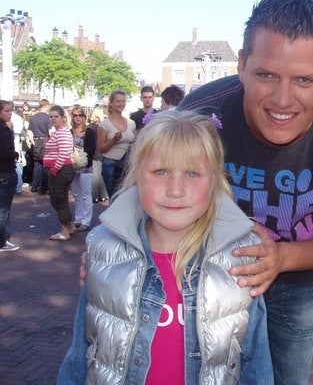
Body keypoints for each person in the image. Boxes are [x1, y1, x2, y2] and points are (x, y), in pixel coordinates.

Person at [177, 0, 313, 383]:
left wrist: (282, 258)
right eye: (266, 75)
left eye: (304, 79)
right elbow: (146, 195)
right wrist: (117, 250)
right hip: (206, 274)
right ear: (242, 65)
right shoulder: (199, 114)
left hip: (300, 279)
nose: (282, 99)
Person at [58, 111, 274, 384]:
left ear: (214, 182)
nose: (175, 190)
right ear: (138, 176)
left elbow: (256, 362)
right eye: (161, 171)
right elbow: (79, 356)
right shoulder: (103, 250)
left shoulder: (241, 260)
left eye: (192, 173)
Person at [43, 105, 76, 241]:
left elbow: (63, 153)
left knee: (58, 200)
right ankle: (70, 225)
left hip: (60, 171)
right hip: (60, 170)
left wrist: (54, 170)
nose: (53, 119)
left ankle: (64, 231)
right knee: (61, 199)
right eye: (51, 116)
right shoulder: (60, 132)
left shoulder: (62, 132)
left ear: (63, 118)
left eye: (56, 116)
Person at [97, 90, 136, 198]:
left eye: (123, 101)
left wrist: (133, 145)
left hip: (127, 164)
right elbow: (101, 149)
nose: (121, 104)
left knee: (127, 196)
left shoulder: (131, 123)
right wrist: (113, 140)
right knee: (114, 196)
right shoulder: (104, 124)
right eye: (118, 101)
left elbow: (134, 142)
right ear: (111, 104)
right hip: (110, 164)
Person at [69, 106, 96, 232]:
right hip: (73, 166)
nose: (77, 117)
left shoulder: (89, 131)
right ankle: (78, 218)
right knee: (76, 194)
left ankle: (86, 220)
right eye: (75, 115)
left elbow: (92, 149)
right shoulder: (70, 131)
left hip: (85, 166)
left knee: (86, 193)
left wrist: (79, 152)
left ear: (84, 117)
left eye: (80, 115)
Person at [0, 100, 20, 252]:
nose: (10, 113)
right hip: (6, 171)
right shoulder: (3, 130)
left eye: (11, 110)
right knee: (3, 209)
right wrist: (15, 154)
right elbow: (5, 153)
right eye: (7, 110)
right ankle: (2, 241)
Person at [27, 99, 51, 194]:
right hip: (46, 141)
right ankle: (44, 187)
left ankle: (34, 186)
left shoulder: (33, 118)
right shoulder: (48, 118)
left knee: (37, 164)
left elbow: (29, 131)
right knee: (46, 164)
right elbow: (50, 132)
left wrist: (33, 142)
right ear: (46, 106)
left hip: (37, 141)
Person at [10, 102, 25, 194]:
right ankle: (18, 186)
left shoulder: (14, 118)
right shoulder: (18, 118)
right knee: (17, 163)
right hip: (16, 138)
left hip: (14, 138)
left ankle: (18, 186)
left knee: (16, 163)